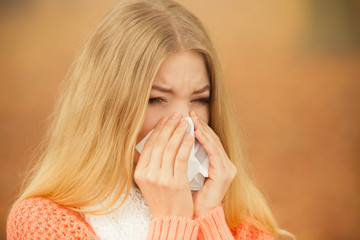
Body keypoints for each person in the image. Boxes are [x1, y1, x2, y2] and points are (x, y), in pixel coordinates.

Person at [7, 0, 294, 239]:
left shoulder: (239, 224)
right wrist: (172, 221)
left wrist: (209, 220)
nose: (184, 123)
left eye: (199, 99)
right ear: (107, 105)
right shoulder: (42, 221)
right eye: (156, 99)